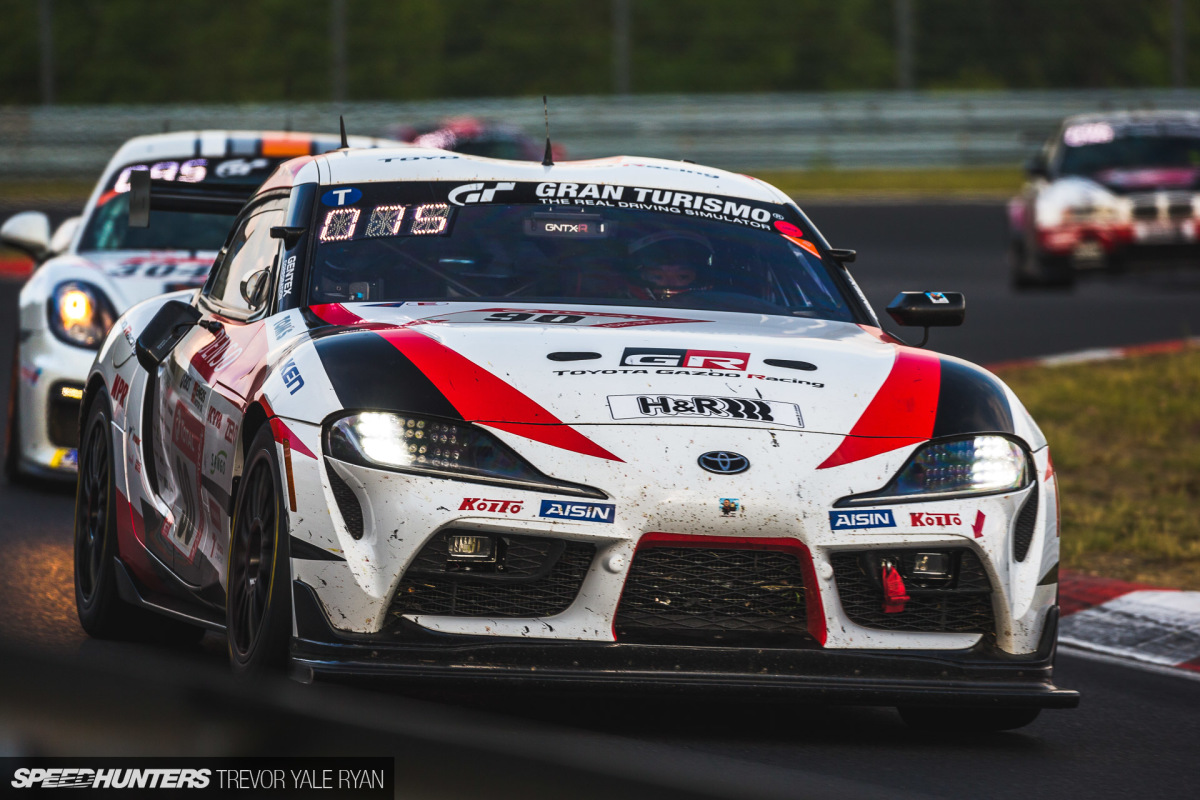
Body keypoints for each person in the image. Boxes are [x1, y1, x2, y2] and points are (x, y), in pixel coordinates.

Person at [626, 231, 715, 301]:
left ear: (699, 279)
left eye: (682, 276)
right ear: (642, 277)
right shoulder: (618, 303)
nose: (670, 284)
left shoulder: (717, 308)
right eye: (658, 276)